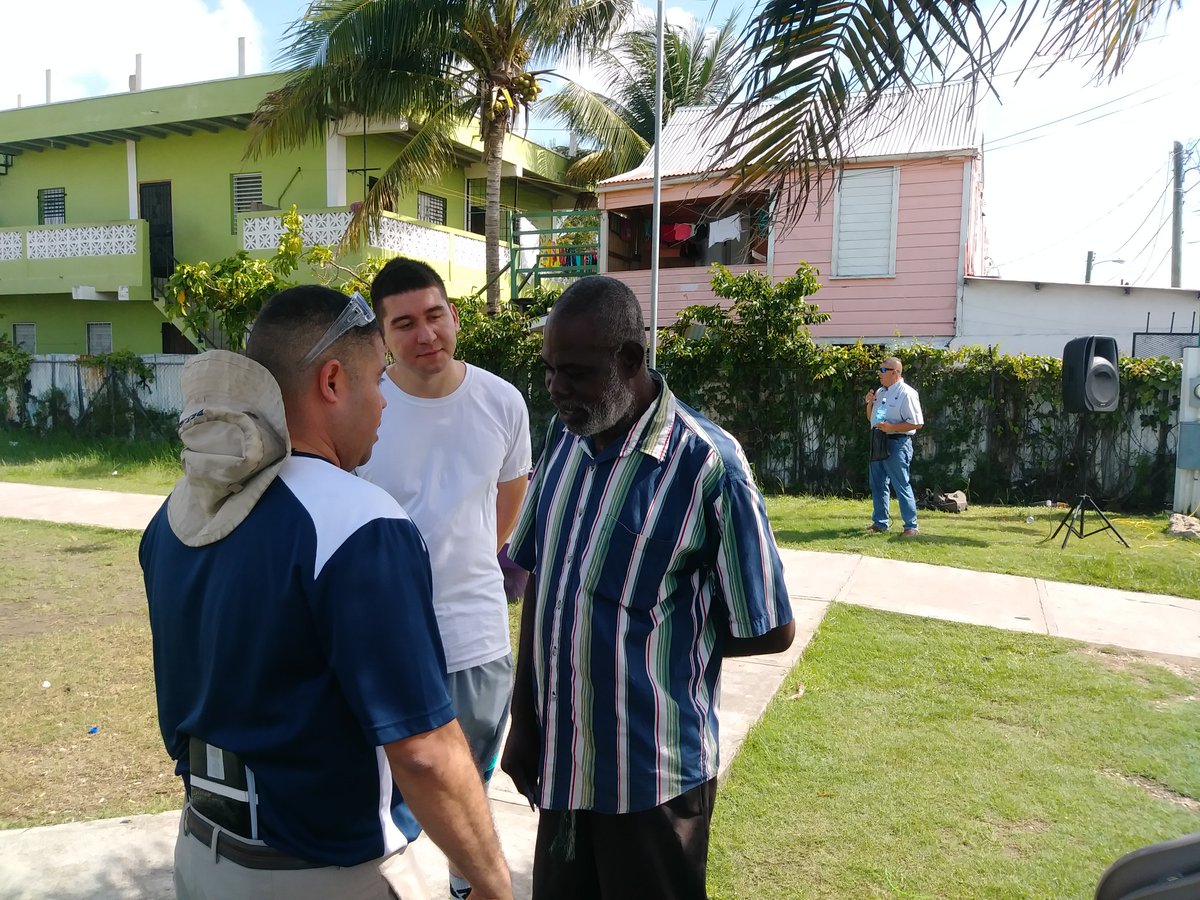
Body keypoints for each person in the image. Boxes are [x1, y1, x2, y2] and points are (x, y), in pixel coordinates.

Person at [139, 285, 512, 900]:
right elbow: (424, 753)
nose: (384, 402)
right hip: (324, 877)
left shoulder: (175, 515)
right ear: (333, 382)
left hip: (202, 853)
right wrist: (497, 887)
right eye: (377, 381)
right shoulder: (359, 522)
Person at [500, 275, 795, 900]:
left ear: (630, 360)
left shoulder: (708, 465)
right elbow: (544, 587)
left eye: (575, 373)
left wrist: (659, 638)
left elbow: (771, 626)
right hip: (565, 768)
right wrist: (524, 723)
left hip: (653, 780)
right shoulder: (565, 439)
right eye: (549, 370)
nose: (555, 388)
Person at [357, 258, 531, 900]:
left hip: (475, 633)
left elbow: (506, 505)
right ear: (382, 337)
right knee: (382, 792)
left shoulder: (502, 401)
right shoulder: (364, 406)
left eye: (435, 316)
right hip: (382, 637)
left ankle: (465, 887)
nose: (425, 334)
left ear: (455, 316)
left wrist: (466, 561)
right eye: (404, 324)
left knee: (469, 786)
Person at [864, 356, 925, 536]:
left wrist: (892, 428)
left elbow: (917, 423)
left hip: (897, 442)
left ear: (895, 373)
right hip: (879, 440)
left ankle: (911, 526)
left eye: (883, 370)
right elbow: (871, 418)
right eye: (880, 370)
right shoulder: (881, 392)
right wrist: (869, 403)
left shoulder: (907, 393)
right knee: (877, 483)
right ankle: (880, 523)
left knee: (900, 484)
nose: (879, 373)